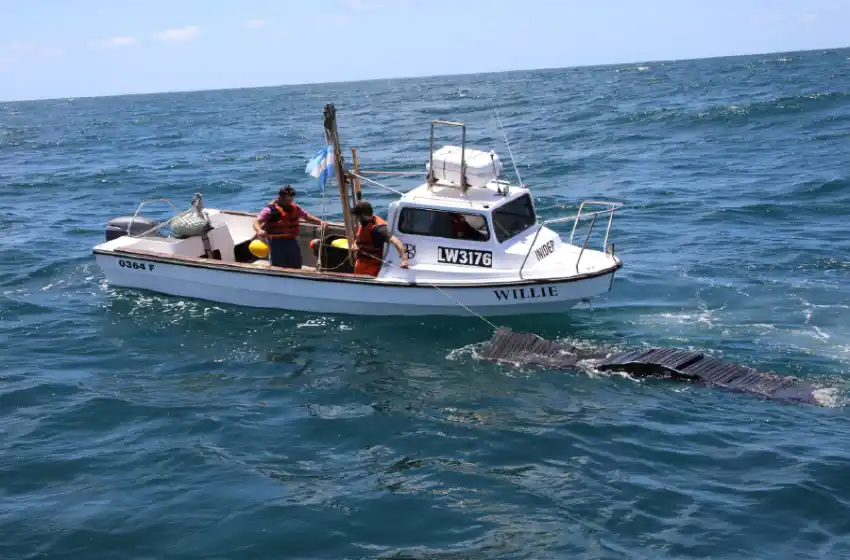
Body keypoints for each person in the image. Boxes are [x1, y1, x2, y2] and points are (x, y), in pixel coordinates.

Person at [254, 185, 327, 269]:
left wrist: (320, 222)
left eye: (291, 200)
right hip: (276, 242)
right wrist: (259, 230)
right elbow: (257, 222)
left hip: (291, 240)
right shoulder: (269, 209)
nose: (289, 203)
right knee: (277, 266)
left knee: (296, 264)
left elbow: (306, 216)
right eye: (287, 200)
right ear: (280, 197)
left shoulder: (295, 207)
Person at [351, 200, 408, 276]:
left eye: (357, 216)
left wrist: (404, 260)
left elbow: (396, 241)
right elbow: (360, 237)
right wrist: (355, 244)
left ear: (363, 215)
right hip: (361, 263)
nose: (357, 218)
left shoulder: (379, 229)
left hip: (370, 268)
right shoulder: (364, 223)